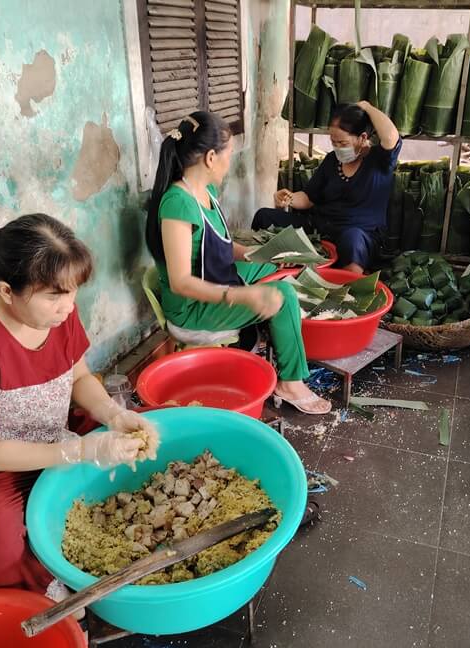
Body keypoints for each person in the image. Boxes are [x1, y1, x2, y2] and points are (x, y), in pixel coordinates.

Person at [0, 214, 159, 597]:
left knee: (149, 428)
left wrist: (112, 413)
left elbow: (80, 378)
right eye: (55, 295)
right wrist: (79, 450)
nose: (69, 307)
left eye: (72, 292)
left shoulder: (58, 317)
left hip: (58, 433)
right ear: (7, 291)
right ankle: (48, 598)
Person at [145, 111, 331, 416]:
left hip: (213, 279)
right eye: (228, 155)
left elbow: (218, 245)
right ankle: (291, 382)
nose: (229, 162)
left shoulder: (205, 192)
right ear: (209, 158)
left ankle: (271, 331)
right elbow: (180, 282)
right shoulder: (177, 204)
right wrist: (241, 295)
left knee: (274, 269)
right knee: (282, 296)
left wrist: (256, 255)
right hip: (191, 309)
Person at [253, 101, 402, 274]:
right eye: (333, 142)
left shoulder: (379, 161)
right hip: (320, 230)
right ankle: (261, 270)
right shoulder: (332, 161)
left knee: (351, 240)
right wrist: (289, 198)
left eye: (343, 143)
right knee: (264, 217)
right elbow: (309, 198)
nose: (338, 148)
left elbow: (391, 136)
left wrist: (367, 107)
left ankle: (346, 283)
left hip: (361, 237)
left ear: (362, 138)